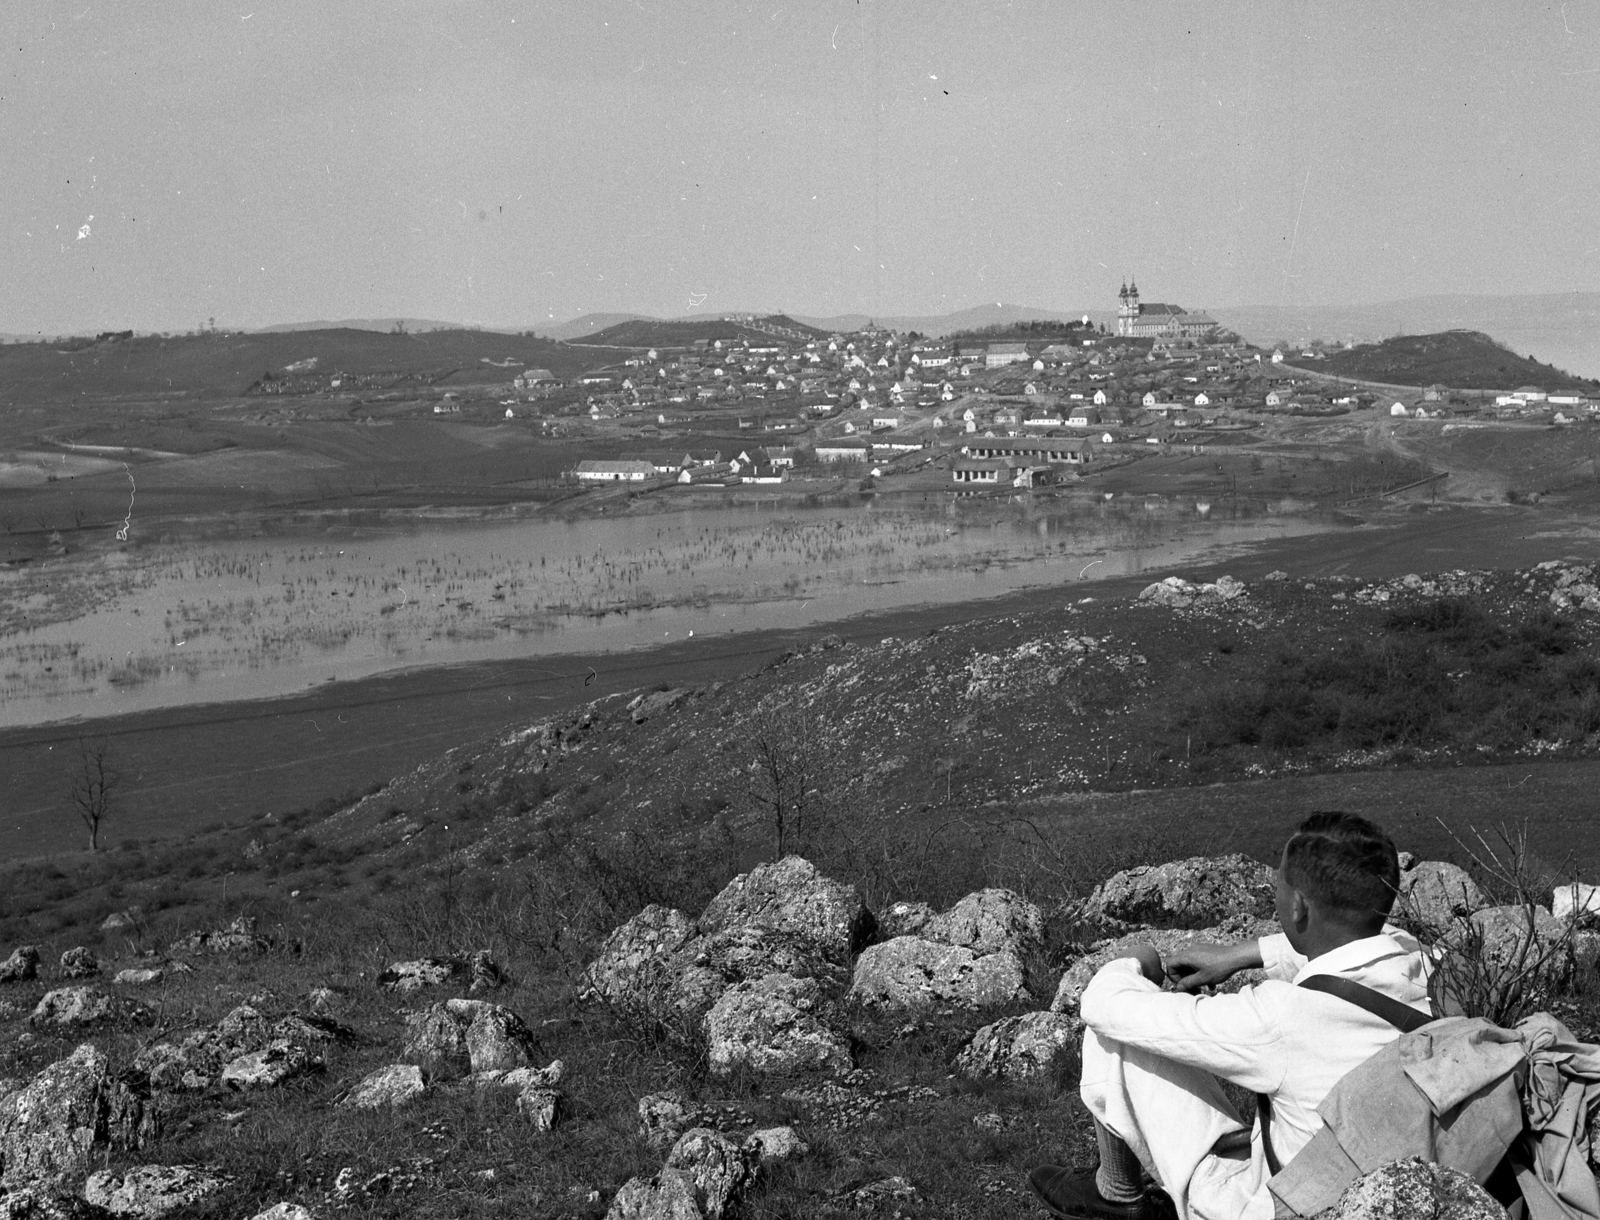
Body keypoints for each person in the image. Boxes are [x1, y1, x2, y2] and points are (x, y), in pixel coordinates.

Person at [1028, 812, 1431, 1220]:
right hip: (1364, 1190)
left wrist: (1135, 961)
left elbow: (1104, 1007)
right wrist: (1236, 956)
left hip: (1270, 1207)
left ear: (1297, 907)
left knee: (1116, 1036)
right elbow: (1366, 942)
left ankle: (1115, 1193)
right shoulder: (1422, 962)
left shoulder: (1282, 1018)